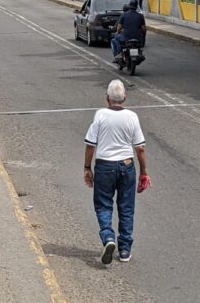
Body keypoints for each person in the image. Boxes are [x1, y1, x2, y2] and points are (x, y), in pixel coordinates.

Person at [84, 79, 150, 264]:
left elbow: (90, 145)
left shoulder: (100, 115)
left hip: (104, 166)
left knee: (103, 205)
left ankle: (108, 238)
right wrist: (144, 172)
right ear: (125, 98)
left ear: (107, 99)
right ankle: (124, 249)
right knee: (126, 208)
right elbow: (140, 148)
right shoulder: (132, 117)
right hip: (126, 166)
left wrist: (87, 168)